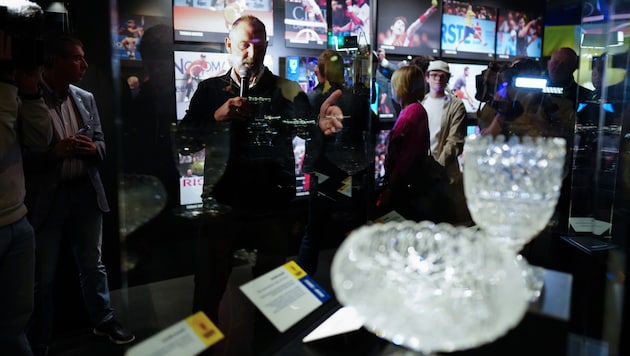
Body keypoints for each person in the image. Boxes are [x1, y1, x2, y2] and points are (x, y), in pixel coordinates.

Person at [178, 15, 342, 328]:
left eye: (259, 46)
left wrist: (321, 127)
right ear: (228, 45)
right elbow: (185, 144)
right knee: (207, 296)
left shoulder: (288, 90)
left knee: (272, 298)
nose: (252, 54)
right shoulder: (210, 90)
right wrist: (218, 115)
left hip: (271, 207)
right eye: (244, 45)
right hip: (222, 204)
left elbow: (309, 134)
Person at [24, 36, 134, 354]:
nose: (84, 64)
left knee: (93, 264)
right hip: (49, 198)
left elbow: (101, 143)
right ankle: (40, 339)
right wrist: (52, 153)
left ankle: (103, 319)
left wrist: (92, 149)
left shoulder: (84, 98)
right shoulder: (29, 99)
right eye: (76, 58)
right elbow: (21, 156)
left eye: (84, 58)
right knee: (42, 275)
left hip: (85, 194)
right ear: (54, 61)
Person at [0, 5, 52, 352]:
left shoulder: (12, 87)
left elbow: (39, 138)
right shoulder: (5, 87)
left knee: (16, 322)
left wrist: (30, 91)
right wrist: (6, 82)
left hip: (17, 219)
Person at [297, 49, 371, 275]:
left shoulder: (309, 98)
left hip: (322, 173)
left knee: (313, 230)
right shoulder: (357, 99)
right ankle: (349, 283)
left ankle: (303, 289)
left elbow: (301, 131)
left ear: (319, 72)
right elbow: (367, 128)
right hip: (348, 173)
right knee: (347, 229)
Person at [378, 65, 431, 221]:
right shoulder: (413, 109)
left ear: (402, 86)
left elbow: (405, 157)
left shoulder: (411, 113)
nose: (392, 89)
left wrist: (390, 188)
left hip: (402, 189)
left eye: (394, 85)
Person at [421, 60, 470, 225]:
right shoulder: (421, 102)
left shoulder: (456, 106)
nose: (438, 79)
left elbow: (455, 142)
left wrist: (437, 169)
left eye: (442, 76)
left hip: (445, 177)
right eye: (434, 75)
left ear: (447, 78)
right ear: (427, 78)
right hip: (423, 176)